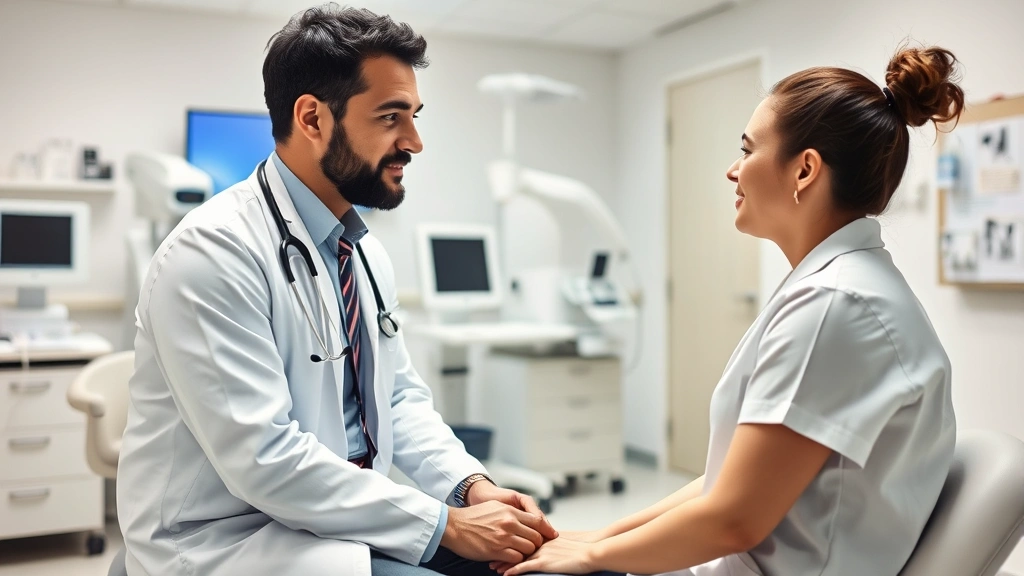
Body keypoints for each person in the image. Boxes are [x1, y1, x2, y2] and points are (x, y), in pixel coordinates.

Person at [117, 6, 563, 576]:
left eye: (414, 116)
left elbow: (398, 399)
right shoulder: (212, 254)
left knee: (552, 566)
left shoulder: (361, 251)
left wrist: (469, 487)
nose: (415, 141)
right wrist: (447, 526)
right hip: (231, 541)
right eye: (390, 117)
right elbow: (264, 460)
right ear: (312, 118)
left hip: (341, 517)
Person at [496, 45, 965, 576]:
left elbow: (734, 519)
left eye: (747, 149)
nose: (732, 170)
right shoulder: (837, 288)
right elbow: (728, 485)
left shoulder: (837, 304)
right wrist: (599, 537)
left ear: (805, 170)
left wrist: (592, 557)